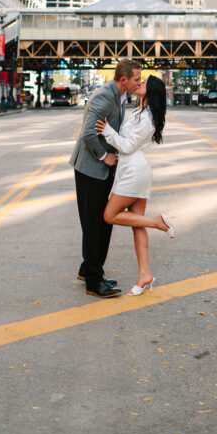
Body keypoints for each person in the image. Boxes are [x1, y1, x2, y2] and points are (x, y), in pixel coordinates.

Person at [95, 75, 174, 296]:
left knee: (110, 215)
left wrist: (107, 131)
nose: (139, 83)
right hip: (132, 169)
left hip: (133, 171)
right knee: (137, 225)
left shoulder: (147, 117)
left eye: (144, 82)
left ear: (152, 91)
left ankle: (157, 222)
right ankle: (144, 275)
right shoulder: (140, 111)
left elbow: (128, 146)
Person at [69, 58, 142, 298]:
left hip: (100, 170)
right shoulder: (104, 96)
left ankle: (89, 268)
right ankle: (93, 281)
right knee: (94, 224)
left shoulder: (121, 96)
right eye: (136, 79)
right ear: (124, 80)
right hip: (90, 168)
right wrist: (104, 157)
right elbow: (88, 133)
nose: (139, 82)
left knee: (101, 222)